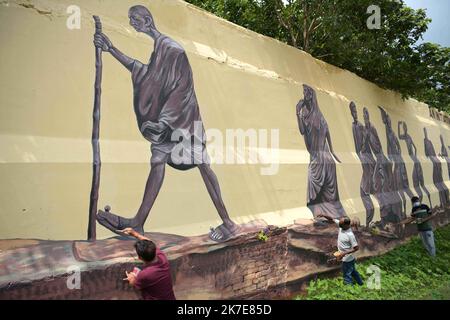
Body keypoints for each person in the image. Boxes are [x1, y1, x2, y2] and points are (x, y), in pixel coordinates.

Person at [93, 5, 239, 241]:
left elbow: (182, 90)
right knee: (158, 161)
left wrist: (164, 122)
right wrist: (111, 49)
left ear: (148, 20)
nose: (132, 23)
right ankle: (138, 223)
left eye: (135, 19)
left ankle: (228, 222)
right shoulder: (159, 52)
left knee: (203, 165)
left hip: (184, 124)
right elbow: (144, 73)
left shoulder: (173, 50)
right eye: (130, 19)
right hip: (167, 125)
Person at [295, 84, 345, 219]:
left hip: (323, 157)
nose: (304, 94)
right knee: (314, 180)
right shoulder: (305, 113)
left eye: (306, 92)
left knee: (317, 182)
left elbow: (326, 130)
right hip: (319, 156)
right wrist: (297, 113)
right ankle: (321, 213)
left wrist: (332, 151)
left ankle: (324, 213)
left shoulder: (317, 114)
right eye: (303, 91)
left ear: (311, 95)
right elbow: (302, 130)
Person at [121, 227, 176, 300]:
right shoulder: (163, 259)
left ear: (140, 258)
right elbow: (150, 243)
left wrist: (131, 277)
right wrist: (135, 234)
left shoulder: (145, 274)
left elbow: (134, 283)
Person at [349, 102, 375, 225]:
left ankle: (369, 219)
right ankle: (369, 219)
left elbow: (366, 141)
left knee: (364, 191)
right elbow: (356, 145)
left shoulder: (360, 126)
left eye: (355, 110)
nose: (354, 113)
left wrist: (362, 153)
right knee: (363, 192)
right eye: (352, 110)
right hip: (362, 158)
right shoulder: (354, 126)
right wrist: (358, 155)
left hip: (368, 160)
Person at [318, 214, 363, 286]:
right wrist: (324, 215)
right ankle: (360, 283)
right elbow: (332, 219)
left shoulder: (350, 235)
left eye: (341, 224)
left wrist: (344, 253)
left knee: (346, 275)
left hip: (347, 258)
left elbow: (356, 248)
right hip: (345, 257)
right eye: (339, 223)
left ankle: (349, 290)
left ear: (346, 225)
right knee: (352, 271)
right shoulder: (342, 225)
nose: (339, 225)